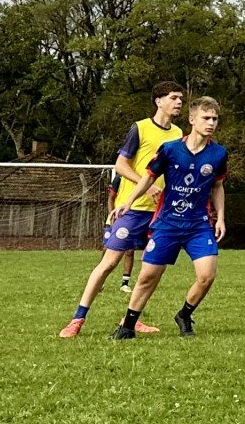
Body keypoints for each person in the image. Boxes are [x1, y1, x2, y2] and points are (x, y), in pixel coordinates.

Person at [59, 82, 183, 337]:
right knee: (109, 263)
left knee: (154, 268)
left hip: (160, 214)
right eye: (173, 98)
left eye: (181, 98)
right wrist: (146, 186)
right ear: (158, 101)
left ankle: (131, 318)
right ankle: (77, 319)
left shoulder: (179, 134)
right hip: (134, 208)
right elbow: (121, 165)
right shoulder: (140, 128)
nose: (179, 102)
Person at [111, 97, 229, 339]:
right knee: (147, 277)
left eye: (215, 119)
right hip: (168, 223)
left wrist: (221, 218)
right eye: (206, 118)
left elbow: (218, 186)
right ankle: (127, 327)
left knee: (207, 276)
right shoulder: (170, 149)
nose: (211, 123)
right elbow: (148, 177)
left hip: (198, 225)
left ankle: (184, 315)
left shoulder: (218, 154)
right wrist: (129, 201)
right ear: (192, 119)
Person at [107, 166, 138, 294]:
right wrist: (112, 215)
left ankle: (125, 283)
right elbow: (111, 198)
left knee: (129, 250)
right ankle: (101, 280)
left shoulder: (143, 179)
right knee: (107, 250)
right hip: (116, 217)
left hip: (131, 218)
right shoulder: (119, 179)